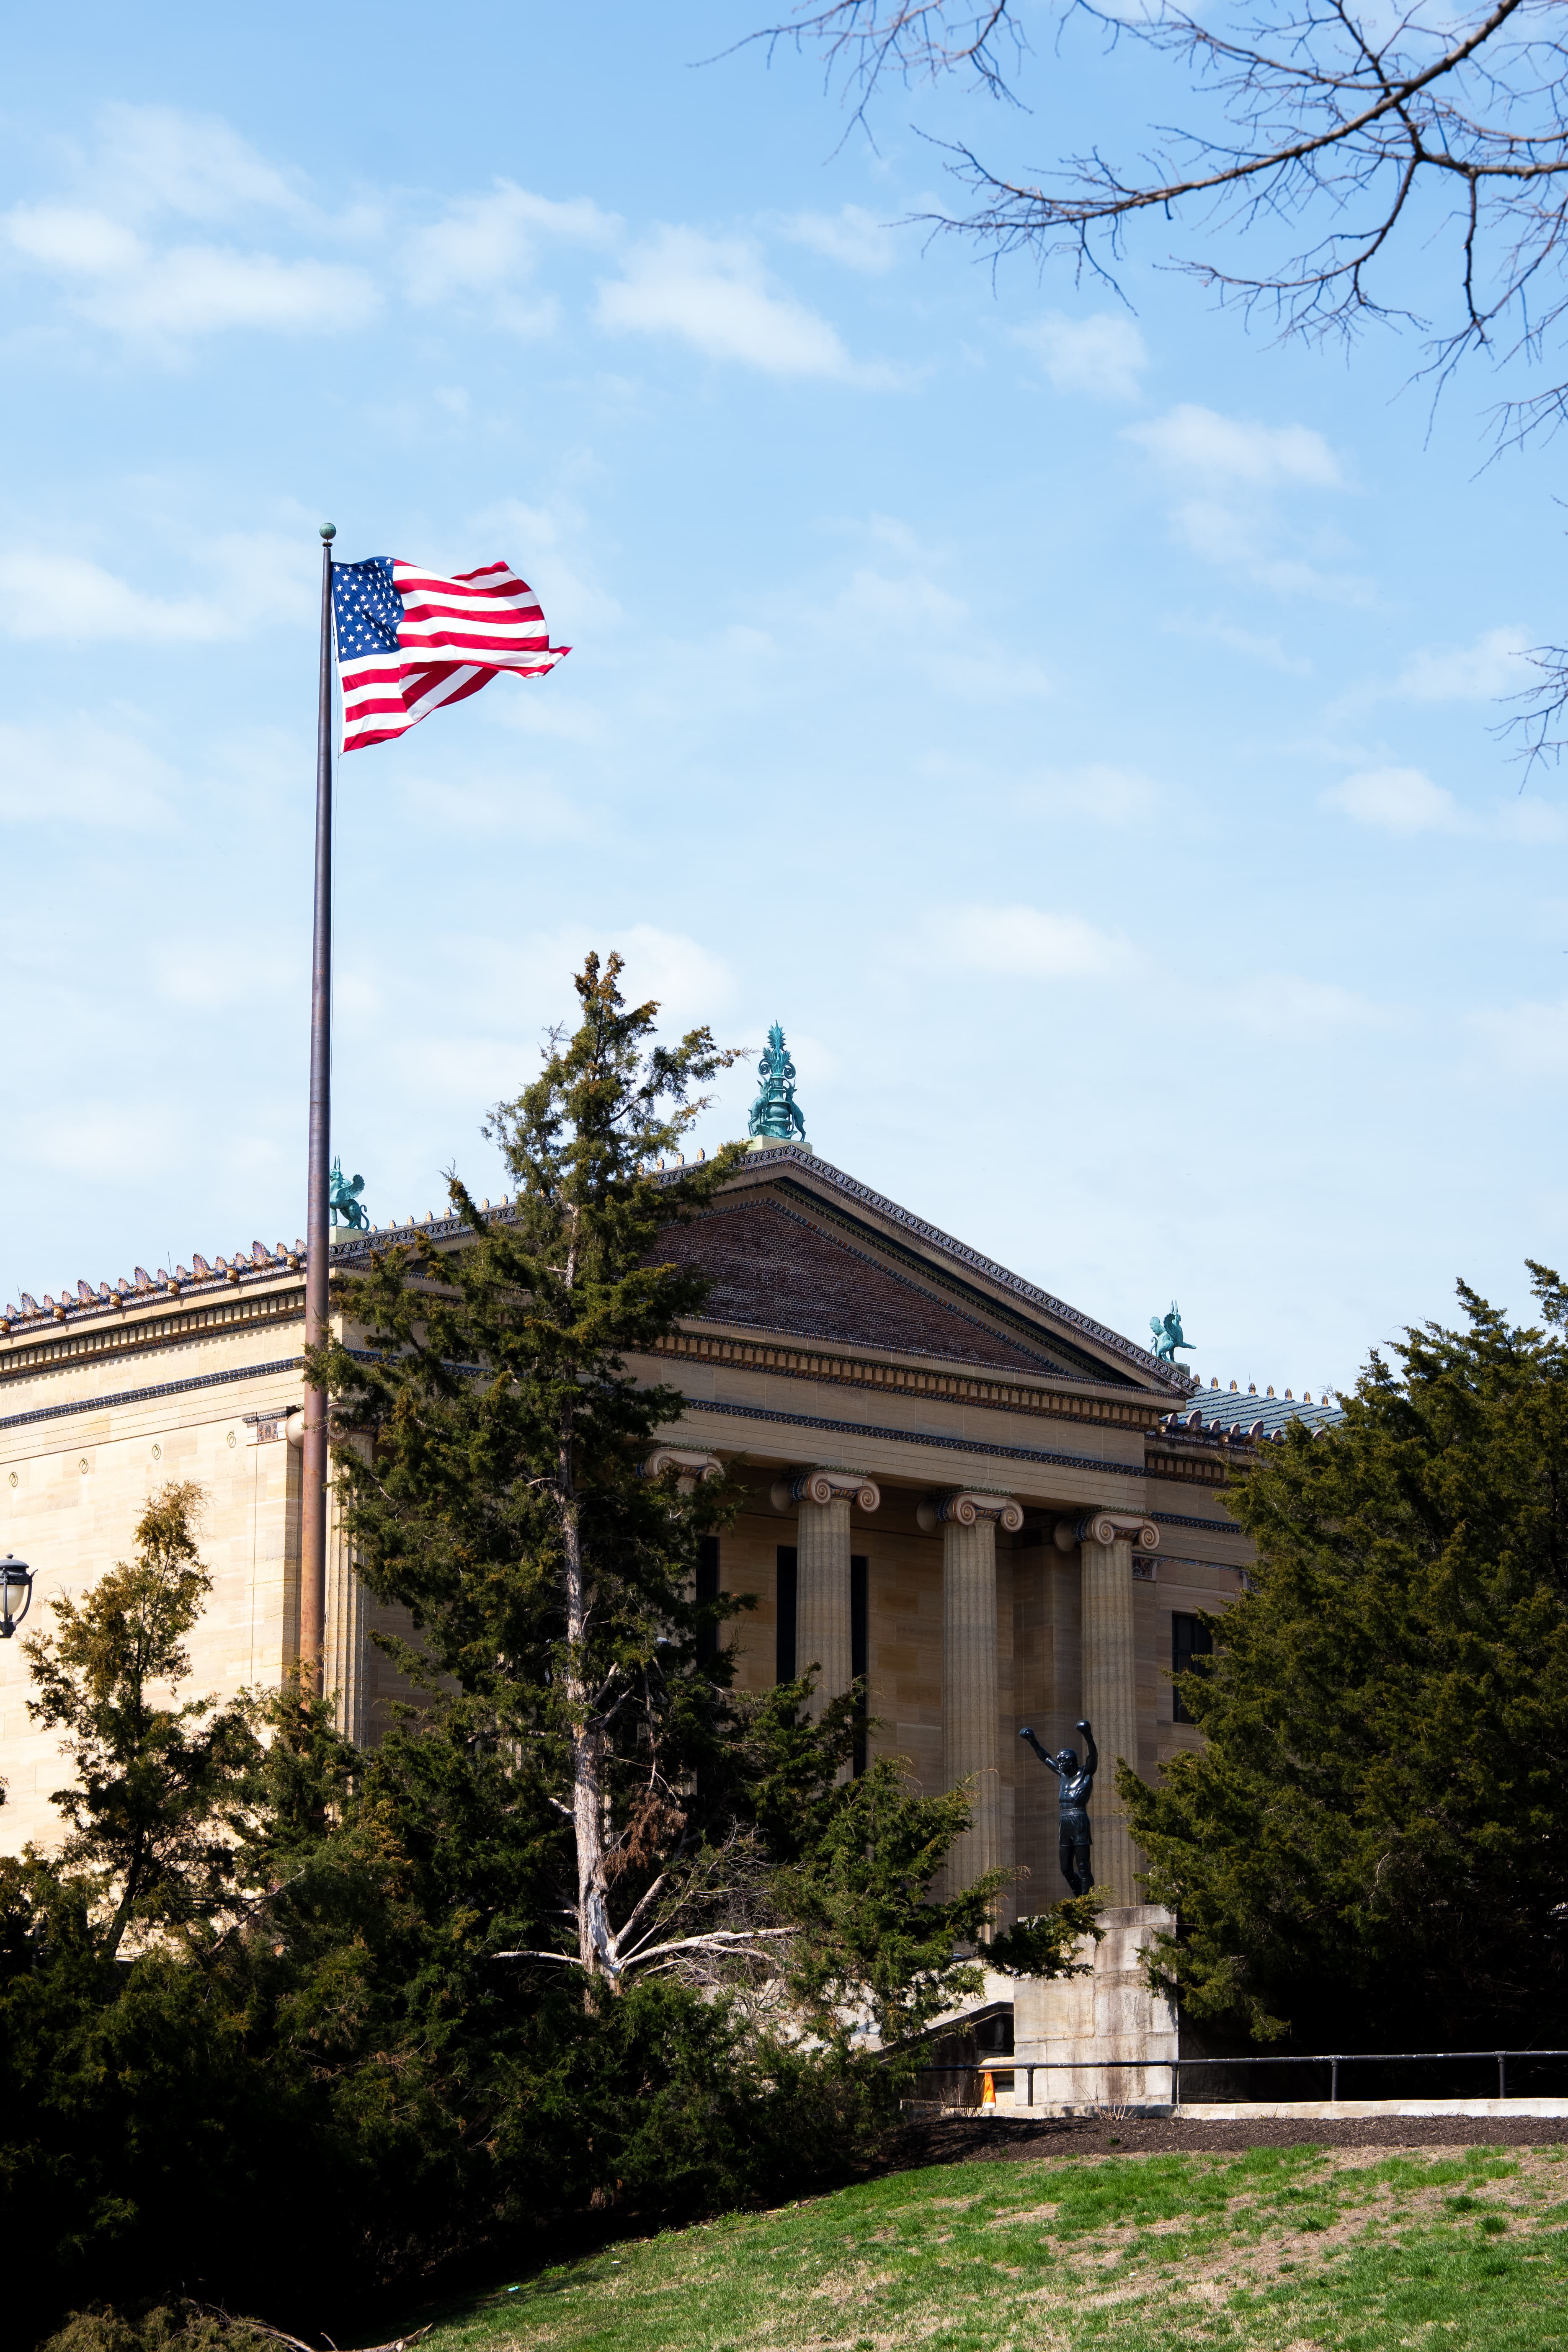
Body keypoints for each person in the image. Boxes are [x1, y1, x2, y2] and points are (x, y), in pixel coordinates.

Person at [1019, 1718, 1098, 1895]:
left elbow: (1093, 1755)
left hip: (1079, 1820)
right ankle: (1080, 1898)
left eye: (1063, 1761)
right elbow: (1046, 1758)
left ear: (1073, 1761)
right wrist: (1033, 1740)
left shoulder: (1086, 1773)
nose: (1060, 1763)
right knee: (1066, 1869)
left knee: (1084, 1867)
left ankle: (1087, 1903)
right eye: (1060, 1761)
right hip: (1065, 1822)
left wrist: (1087, 1736)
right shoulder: (1063, 1775)